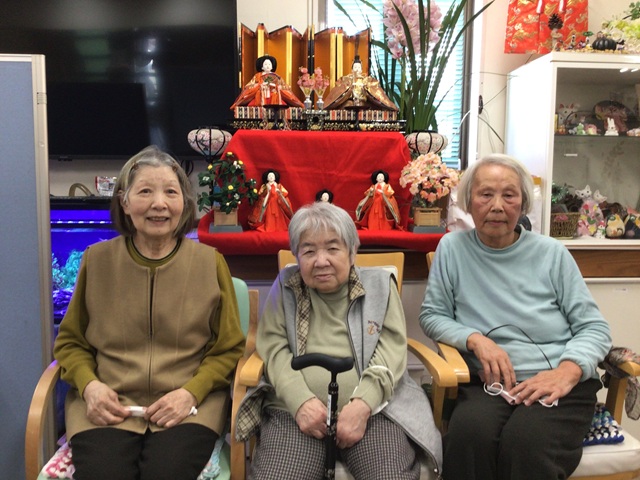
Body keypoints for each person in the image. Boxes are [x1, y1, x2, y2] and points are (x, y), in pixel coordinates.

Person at [53, 145, 246, 480]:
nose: (159, 203)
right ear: (125, 202)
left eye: (171, 192)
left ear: (184, 202)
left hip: (188, 405)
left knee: (166, 472)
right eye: (145, 191)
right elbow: (70, 343)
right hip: (110, 401)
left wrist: (191, 392)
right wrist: (90, 387)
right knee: (103, 474)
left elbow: (228, 348)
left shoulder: (209, 262)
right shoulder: (96, 261)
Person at [419, 153, 612, 480]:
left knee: (526, 444)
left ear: (522, 204)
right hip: (490, 384)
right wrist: (476, 340)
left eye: (509, 195)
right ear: (468, 201)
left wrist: (567, 372)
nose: (497, 206)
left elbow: (594, 328)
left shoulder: (552, 253)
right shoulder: (452, 249)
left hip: (556, 382)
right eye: (485, 194)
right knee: (468, 437)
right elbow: (433, 315)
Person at [237, 202, 442, 479]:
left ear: (352, 251)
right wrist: (300, 402)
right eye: (309, 251)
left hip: (375, 412)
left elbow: (390, 352)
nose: (321, 261)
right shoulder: (286, 285)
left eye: (333, 248)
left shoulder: (380, 286)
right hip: (294, 414)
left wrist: (362, 405)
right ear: (297, 255)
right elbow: (274, 349)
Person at [323, 55, 398, 111]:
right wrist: (349, 88)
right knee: (346, 106)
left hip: (364, 102)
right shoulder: (345, 79)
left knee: (371, 107)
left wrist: (366, 88)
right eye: (355, 67)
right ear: (352, 70)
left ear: (362, 70)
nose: (357, 69)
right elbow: (338, 91)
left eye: (359, 68)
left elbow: (376, 91)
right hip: (350, 103)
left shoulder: (367, 80)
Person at [230, 54, 304, 109]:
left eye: (269, 64)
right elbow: (249, 87)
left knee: (280, 101)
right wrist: (260, 85)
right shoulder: (257, 76)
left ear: (272, 66)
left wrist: (276, 87)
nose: (268, 66)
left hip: (274, 95)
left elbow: (285, 87)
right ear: (262, 67)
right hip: (260, 95)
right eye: (265, 64)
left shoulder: (277, 76)